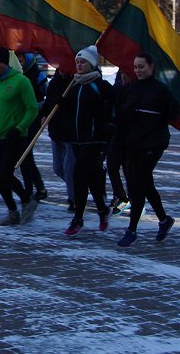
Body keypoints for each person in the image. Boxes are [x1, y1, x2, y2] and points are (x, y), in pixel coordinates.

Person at [114, 53, 180, 247]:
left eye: (141, 66)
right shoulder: (130, 89)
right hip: (133, 145)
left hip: (152, 146)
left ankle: (132, 230)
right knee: (145, 184)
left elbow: (175, 112)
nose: (137, 70)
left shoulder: (161, 90)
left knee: (136, 186)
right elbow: (120, 115)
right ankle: (164, 220)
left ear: (152, 67)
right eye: (135, 67)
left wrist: (156, 123)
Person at [0, 47, 40, 226]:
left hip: (15, 137)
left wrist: (20, 127)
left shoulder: (21, 82)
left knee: (5, 174)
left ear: (6, 63)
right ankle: (13, 211)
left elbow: (32, 109)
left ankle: (26, 199)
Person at [63, 46, 115, 236]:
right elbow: (69, 111)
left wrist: (110, 125)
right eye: (77, 62)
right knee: (92, 179)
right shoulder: (75, 85)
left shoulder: (100, 86)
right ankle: (102, 210)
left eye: (83, 62)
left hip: (95, 140)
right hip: (77, 140)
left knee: (78, 176)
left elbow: (113, 109)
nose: (79, 65)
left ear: (92, 64)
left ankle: (78, 219)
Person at [41, 69, 77, 211]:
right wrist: (44, 114)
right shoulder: (54, 83)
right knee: (58, 168)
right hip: (55, 131)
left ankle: (73, 198)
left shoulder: (75, 82)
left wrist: (66, 102)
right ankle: (77, 186)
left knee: (69, 169)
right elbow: (48, 103)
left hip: (71, 133)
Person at [17, 52, 48, 200]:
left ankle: (37, 188)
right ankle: (31, 188)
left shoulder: (38, 75)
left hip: (34, 118)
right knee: (23, 154)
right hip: (22, 117)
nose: (19, 61)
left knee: (25, 153)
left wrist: (38, 106)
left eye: (21, 59)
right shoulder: (18, 75)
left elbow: (48, 97)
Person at [107, 71, 132, 214]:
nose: (124, 75)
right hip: (116, 135)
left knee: (130, 171)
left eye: (126, 72)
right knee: (112, 166)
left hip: (134, 137)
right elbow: (110, 109)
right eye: (122, 72)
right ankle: (122, 197)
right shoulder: (116, 88)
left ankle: (134, 201)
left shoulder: (138, 90)